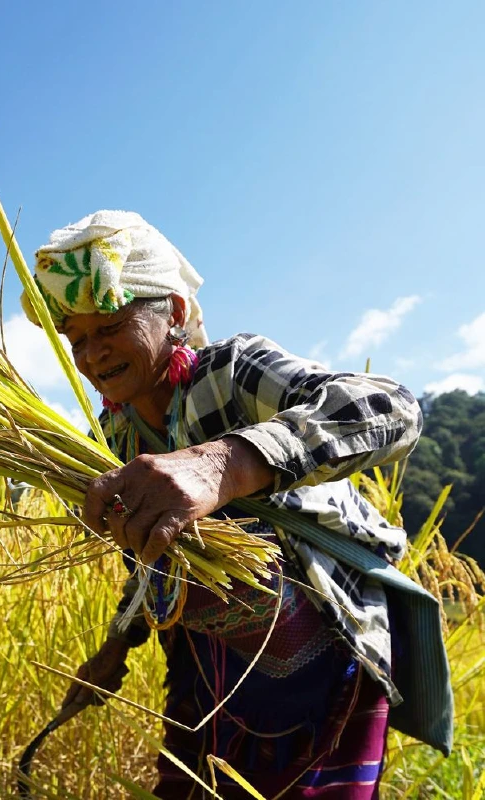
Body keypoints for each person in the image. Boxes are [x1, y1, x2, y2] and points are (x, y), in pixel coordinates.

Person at [23, 210, 449, 798]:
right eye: (78, 339)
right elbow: (151, 560)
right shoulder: (114, 434)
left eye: (112, 327)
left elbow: (390, 407)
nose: (93, 354)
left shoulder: (231, 371)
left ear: (172, 313)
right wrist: (117, 645)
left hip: (320, 654)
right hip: (205, 668)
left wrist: (224, 463)